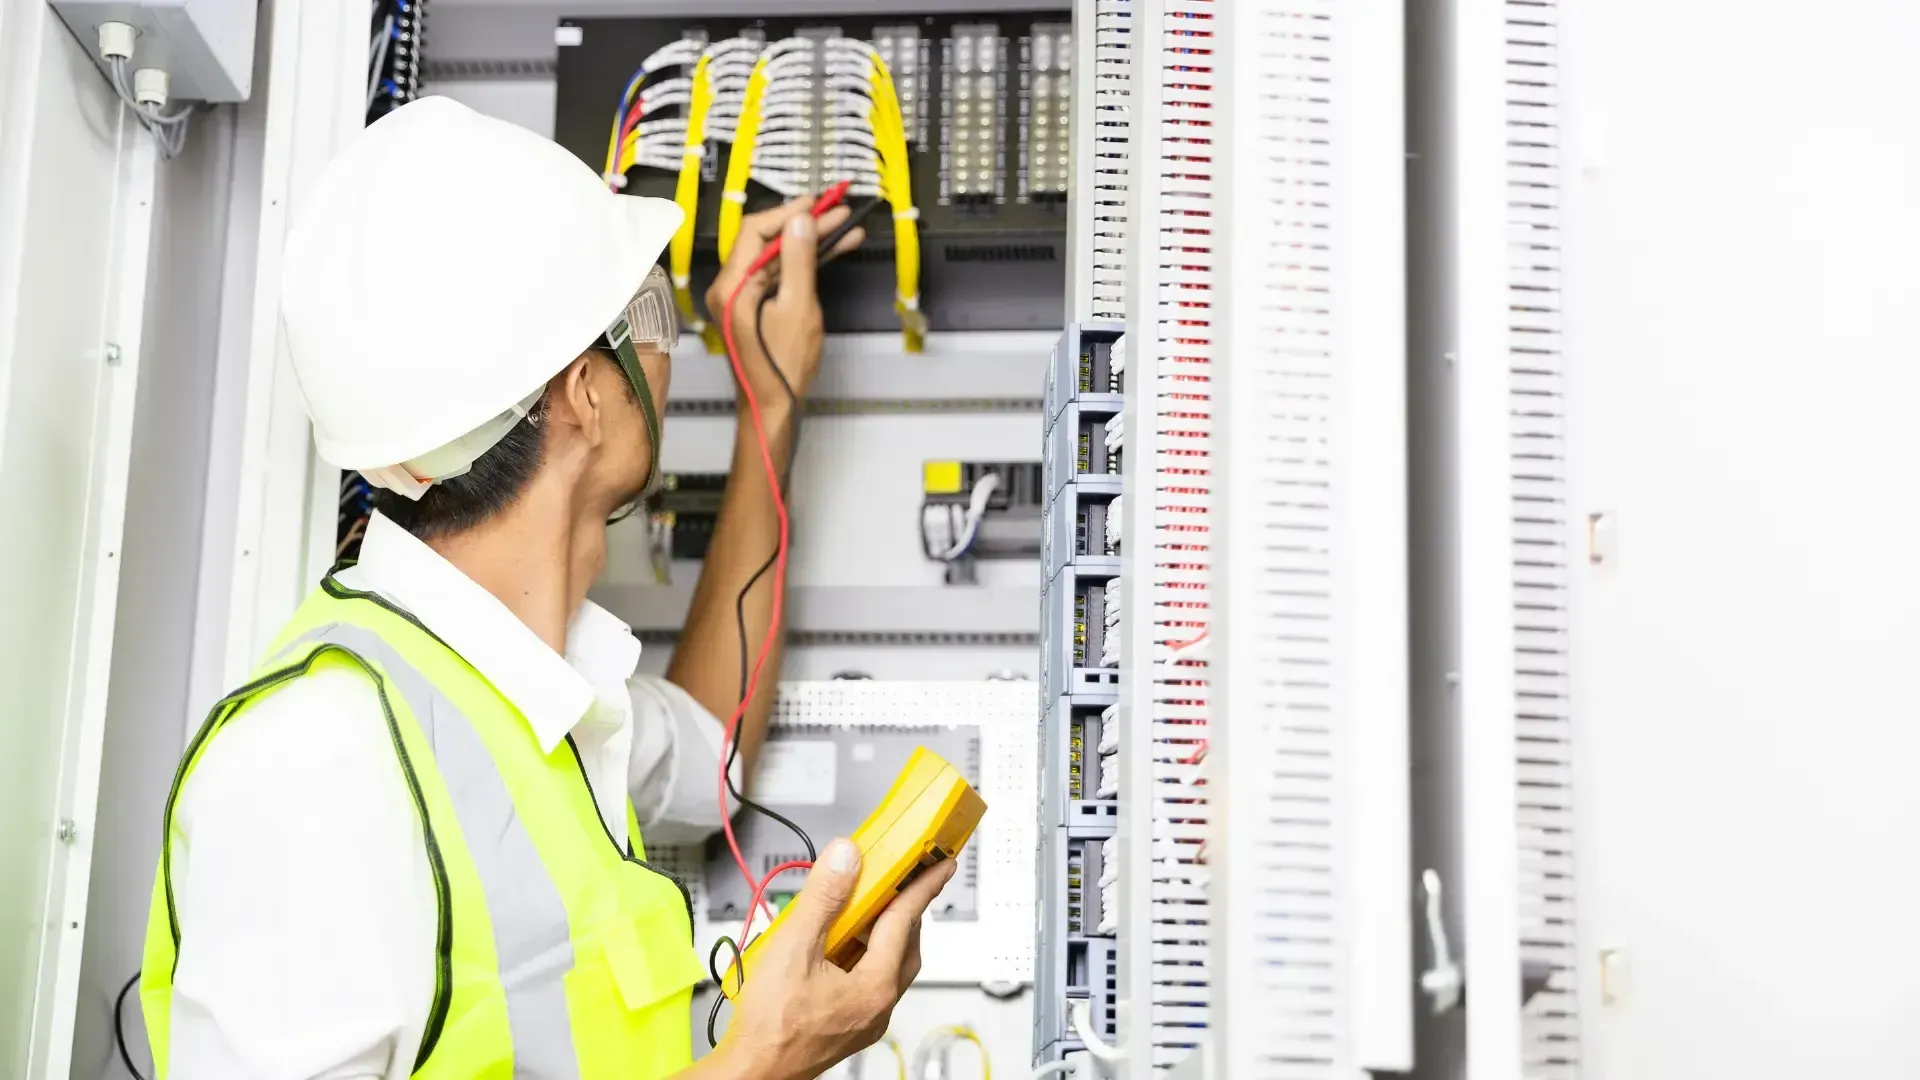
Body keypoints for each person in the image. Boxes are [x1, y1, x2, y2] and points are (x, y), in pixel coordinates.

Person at [137, 96, 954, 1080]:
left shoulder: (526, 688)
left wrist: (769, 407)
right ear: (581, 393)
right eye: (647, 308)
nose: (669, 343)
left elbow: (708, 755)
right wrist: (762, 1060)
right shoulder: (313, 764)